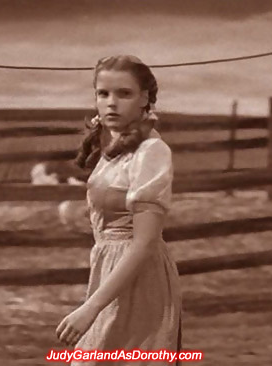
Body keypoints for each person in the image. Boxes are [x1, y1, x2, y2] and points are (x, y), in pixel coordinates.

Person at [56, 55, 182, 365]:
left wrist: (91, 307)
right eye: (103, 94)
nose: (111, 103)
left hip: (139, 277)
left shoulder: (151, 151)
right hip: (109, 273)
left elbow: (144, 242)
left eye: (124, 94)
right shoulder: (117, 147)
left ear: (145, 99)